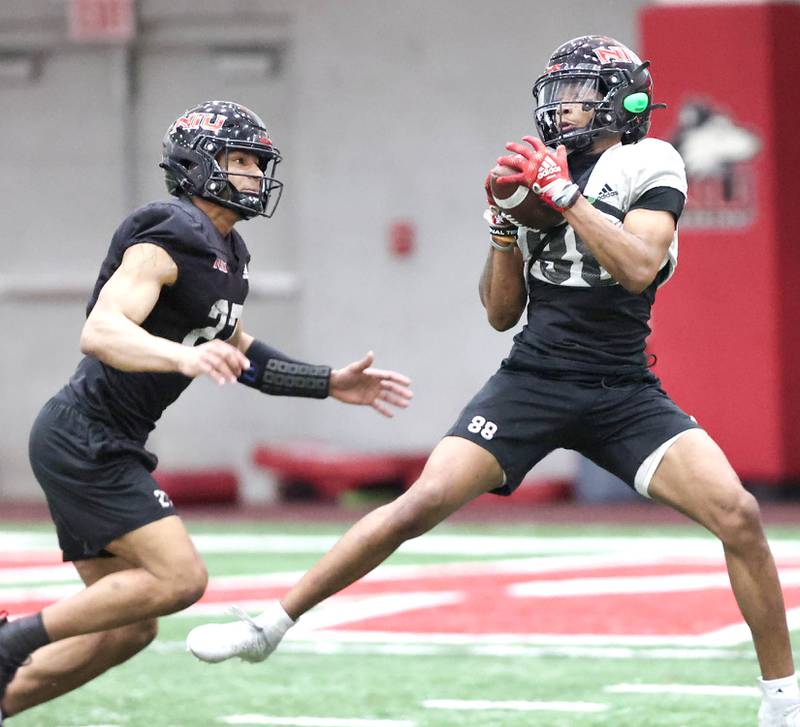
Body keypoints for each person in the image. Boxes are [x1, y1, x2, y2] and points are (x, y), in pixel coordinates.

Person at [186, 38, 798, 726]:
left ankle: (782, 701)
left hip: (621, 387)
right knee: (418, 505)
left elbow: (637, 265)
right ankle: (271, 623)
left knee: (739, 515)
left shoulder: (648, 161)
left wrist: (563, 196)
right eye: (559, 90)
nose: (562, 103)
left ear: (621, 100)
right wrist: (505, 226)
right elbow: (502, 312)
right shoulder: (543, 173)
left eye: (579, 90)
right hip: (534, 376)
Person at [0, 100, 413, 723]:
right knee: (180, 581)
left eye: (257, 162)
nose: (254, 174)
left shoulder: (227, 252)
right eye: (241, 160)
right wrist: (179, 357)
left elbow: (243, 354)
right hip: (85, 437)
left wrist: (328, 383)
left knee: (129, 629)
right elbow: (102, 331)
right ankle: (11, 642)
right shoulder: (168, 234)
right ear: (198, 164)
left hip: (103, 440)